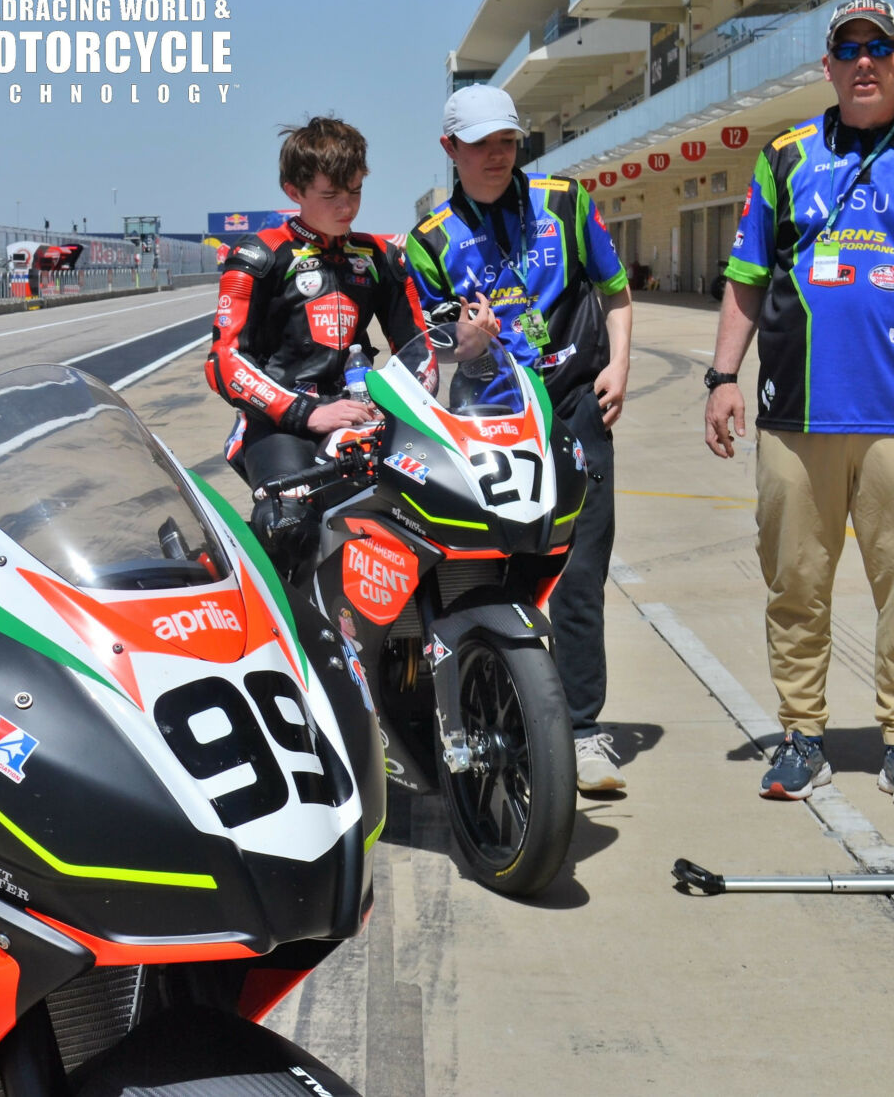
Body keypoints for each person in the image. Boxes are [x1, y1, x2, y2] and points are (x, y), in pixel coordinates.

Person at [706, 0, 894, 805]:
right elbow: (747, 277)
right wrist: (723, 378)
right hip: (794, 416)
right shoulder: (786, 155)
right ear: (827, 66)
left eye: (878, 46)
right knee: (795, 581)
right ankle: (803, 734)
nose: (863, 60)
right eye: (847, 48)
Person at [402, 85, 634, 794]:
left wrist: (620, 363)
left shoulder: (566, 201)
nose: (496, 155)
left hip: (576, 405)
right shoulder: (430, 239)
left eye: (505, 140)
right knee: (497, 575)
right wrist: (461, 343)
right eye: (479, 144)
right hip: (493, 421)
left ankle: (584, 731)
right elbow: (431, 348)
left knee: (580, 573)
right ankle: (504, 713)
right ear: (450, 150)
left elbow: (616, 291)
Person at [205, 116, 428, 574]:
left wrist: (409, 408)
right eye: (331, 195)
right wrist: (308, 414)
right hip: (280, 424)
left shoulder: (381, 256)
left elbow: (418, 348)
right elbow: (223, 361)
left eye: (356, 191)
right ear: (294, 191)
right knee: (286, 525)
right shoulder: (259, 255)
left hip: (364, 417)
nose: (347, 207)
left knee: (430, 516)